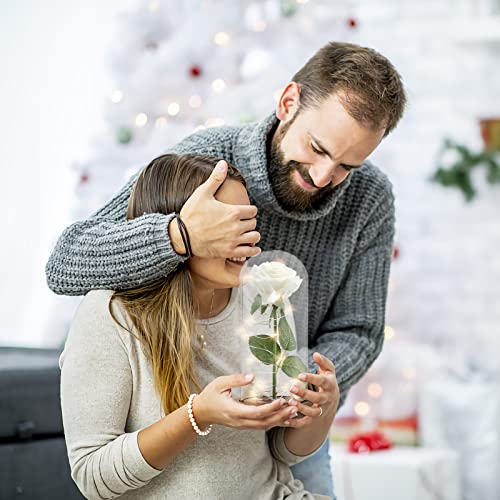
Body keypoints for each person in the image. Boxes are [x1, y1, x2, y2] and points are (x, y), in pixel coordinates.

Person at [47, 41, 407, 498]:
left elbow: (359, 328)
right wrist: (180, 236)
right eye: (316, 148)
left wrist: (305, 384)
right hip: (185, 407)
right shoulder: (208, 166)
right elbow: (67, 263)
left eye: (346, 166)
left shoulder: (369, 198)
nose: (321, 176)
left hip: (286, 427)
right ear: (288, 103)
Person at [59, 153, 339, 499]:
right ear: (186, 228)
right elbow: (93, 477)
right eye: (230, 225)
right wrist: (197, 415)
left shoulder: (265, 296)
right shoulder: (112, 313)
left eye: (249, 223)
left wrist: (321, 410)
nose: (250, 241)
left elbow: (284, 450)